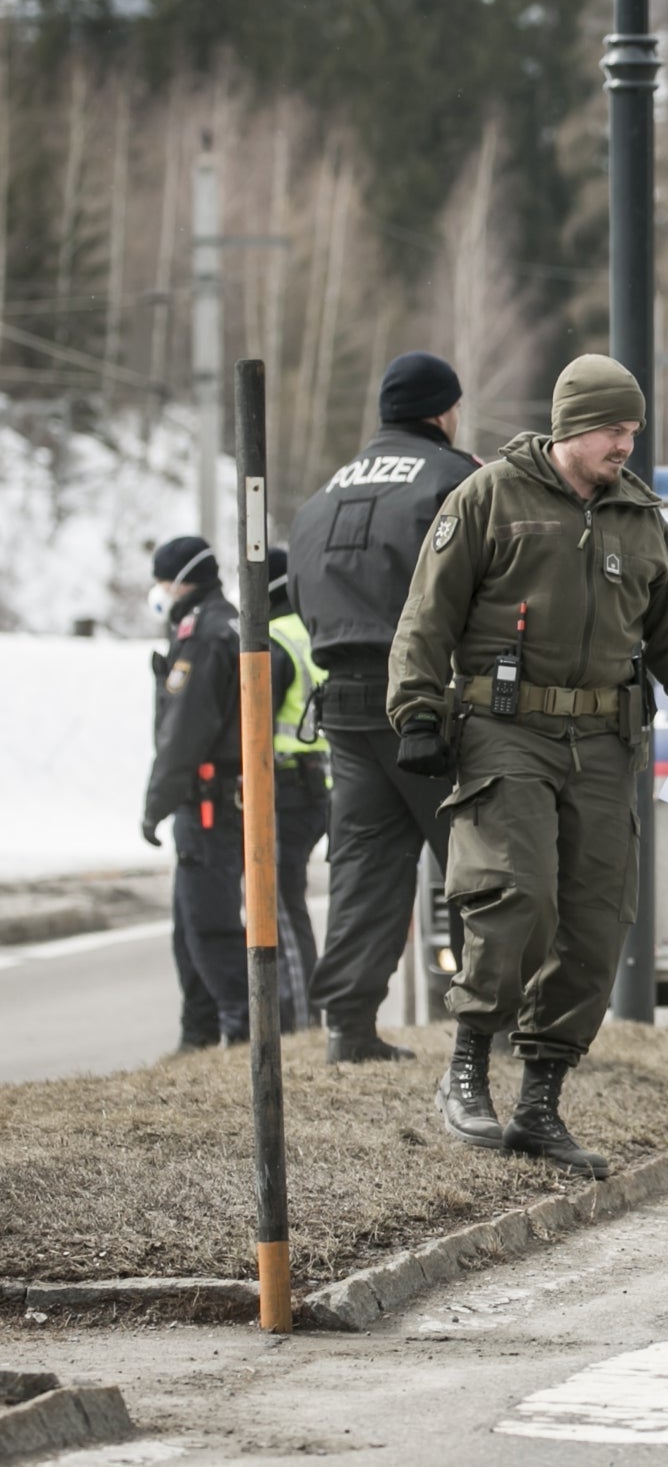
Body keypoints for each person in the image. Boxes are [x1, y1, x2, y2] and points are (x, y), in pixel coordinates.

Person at [389, 354, 668, 1177]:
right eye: (616, 429)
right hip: (504, 731)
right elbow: (426, 613)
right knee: (519, 893)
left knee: (594, 920)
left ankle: (539, 1103)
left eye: (633, 430)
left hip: (608, 743)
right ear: (573, 426)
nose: (628, 444)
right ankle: (469, 1066)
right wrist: (415, 710)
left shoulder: (641, 519)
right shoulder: (488, 498)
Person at [291, 352, 481, 1063]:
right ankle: (484, 1026)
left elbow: (303, 596)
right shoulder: (455, 479)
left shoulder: (323, 495)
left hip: (343, 706)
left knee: (365, 863)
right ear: (442, 411)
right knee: (478, 860)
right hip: (430, 703)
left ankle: (348, 1025)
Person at [140, 537, 295, 1049]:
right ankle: (199, 1035)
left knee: (207, 924)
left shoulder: (204, 635)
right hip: (224, 794)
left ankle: (240, 1031)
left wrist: (154, 806)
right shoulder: (231, 623)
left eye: (162, 581)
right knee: (190, 925)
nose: (159, 592)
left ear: (181, 580)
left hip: (207, 798)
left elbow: (183, 734)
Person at [265, 547, 326, 1028]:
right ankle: (303, 1009)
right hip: (320, 785)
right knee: (291, 902)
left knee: (281, 905)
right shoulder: (310, 630)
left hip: (285, 788)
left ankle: (301, 1017)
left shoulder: (272, 641)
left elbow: (253, 726)